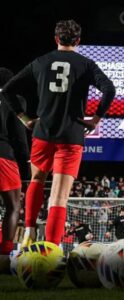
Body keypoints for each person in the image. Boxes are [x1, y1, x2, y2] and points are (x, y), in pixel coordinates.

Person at [0, 20, 115, 248]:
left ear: (56, 39)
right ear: (78, 41)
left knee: (36, 180)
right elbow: (109, 89)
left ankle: (29, 232)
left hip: (43, 133)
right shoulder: (86, 64)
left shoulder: (41, 61)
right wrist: (96, 117)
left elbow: (8, 90)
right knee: (58, 197)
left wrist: (24, 118)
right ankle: (50, 249)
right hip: (71, 136)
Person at [0, 67, 29, 273]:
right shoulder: (14, 99)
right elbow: (19, 135)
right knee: (13, 206)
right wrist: (26, 164)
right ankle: (3, 256)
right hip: (3, 155)